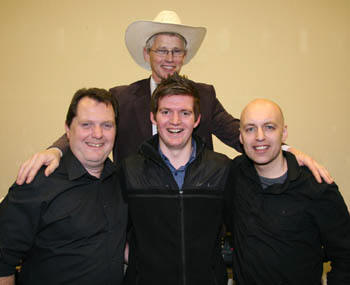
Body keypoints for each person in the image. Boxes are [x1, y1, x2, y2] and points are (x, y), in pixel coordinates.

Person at [15, 10, 332, 185]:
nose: (169, 58)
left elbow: (239, 133)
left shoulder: (203, 96)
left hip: (192, 202)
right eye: (161, 50)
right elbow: (88, 128)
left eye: (177, 50)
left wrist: (288, 151)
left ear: (185, 55)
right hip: (134, 208)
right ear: (146, 53)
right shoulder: (120, 97)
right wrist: (55, 151)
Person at [0, 88, 127, 285]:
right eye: (86, 124)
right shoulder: (36, 182)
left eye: (107, 125)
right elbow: (3, 261)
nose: (98, 134)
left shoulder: (120, 181)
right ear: (68, 129)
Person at [224, 99, 350, 284]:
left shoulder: (317, 187)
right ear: (241, 137)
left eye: (269, 127)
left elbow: (346, 255)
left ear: (283, 133)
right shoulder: (236, 173)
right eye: (250, 129)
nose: (260, 136)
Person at [121, 73, 230, 285]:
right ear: (153, 117)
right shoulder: (129, 170)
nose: (175, 121)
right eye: (166, 112)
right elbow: (111, 232)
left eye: (185, 113)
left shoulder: (222, 169)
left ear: (197, 119)